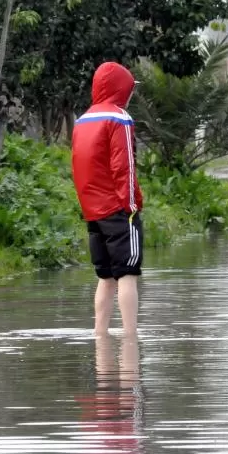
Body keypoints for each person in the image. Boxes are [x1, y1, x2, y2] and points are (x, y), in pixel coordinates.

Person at [71, 62, 143, 336]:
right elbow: (124, 166)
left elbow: (79, 166)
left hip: (93, 212)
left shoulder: (82, 120)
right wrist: (132, 205)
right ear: (121, 89)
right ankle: (131, 337)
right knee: (127, 274)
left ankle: (99, 336)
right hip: (119, 210)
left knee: (105, 277)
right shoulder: (120, 119)